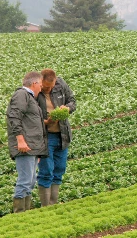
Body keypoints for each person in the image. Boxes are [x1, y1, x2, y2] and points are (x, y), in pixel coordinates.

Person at [6, 71, 48, 213]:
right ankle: (19, 214)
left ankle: (26, 212)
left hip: (32, 146)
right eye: (41, 85)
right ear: (34, 83)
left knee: (30, 181)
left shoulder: (29, 97)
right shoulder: (21, 95)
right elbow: (14, 116)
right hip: (25, 146)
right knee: (25, 181)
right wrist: (20, 140)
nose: (41, 88)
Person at [36, 68, 76, 206]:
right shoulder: (35, 92)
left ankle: (53, 203)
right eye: (46, 87)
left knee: (59, 169)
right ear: (40, 82)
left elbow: (72, 101)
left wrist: (67, 109)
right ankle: (45, 206)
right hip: (46, 137)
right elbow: (29, 116)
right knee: (46, 171)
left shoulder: (61, 84)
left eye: (52, 86)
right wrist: (44, 122)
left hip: (62, 134)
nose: (49, 89)